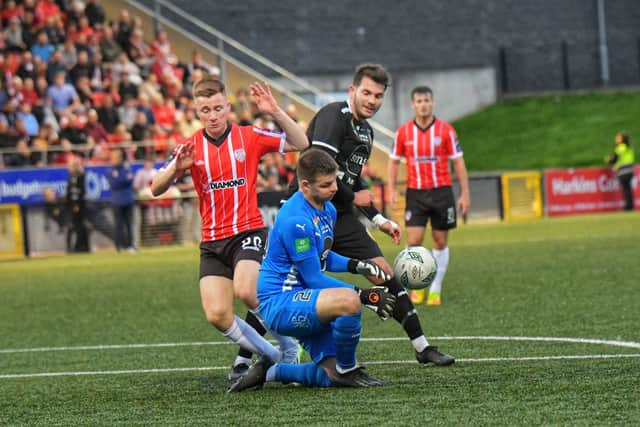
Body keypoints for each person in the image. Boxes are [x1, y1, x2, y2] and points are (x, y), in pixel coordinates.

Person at [283, 64, 455, 366]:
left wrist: (379, 219)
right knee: (285, 280)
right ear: (352, 91)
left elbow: (351, 179)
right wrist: (353, 196)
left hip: (340, 214)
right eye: (366, 93)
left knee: (383, 272)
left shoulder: (365, 131)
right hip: (305, 210)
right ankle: (247, 359)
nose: (372, 100)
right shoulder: (333, 116)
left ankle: (422, 347)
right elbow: (317, 165)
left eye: (378, 95)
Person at [150, 75, 309, 382]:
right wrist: (176, 170)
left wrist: (275, 110)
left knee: (247, 291)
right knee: (217, 315)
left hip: (247, 232)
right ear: (197, 112)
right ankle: (271, 356)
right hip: (212, 242)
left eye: (218, 108)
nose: (213, 116)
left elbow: (301, 143)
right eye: (205, 110)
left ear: (228, 107)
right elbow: (156, 187)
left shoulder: (249, 137)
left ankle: (290, 348)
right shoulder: (189, 148)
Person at [228, 149, 396, 392]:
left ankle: (270, 371)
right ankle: (348, 370)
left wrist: (356, 265)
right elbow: (313, 277)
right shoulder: (296, 221)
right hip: (280, 303)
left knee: (329, 375)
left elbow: (321, 258)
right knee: (349, 302)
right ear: (305, 185)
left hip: (303, 296)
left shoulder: (327, 209)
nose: (335, 188)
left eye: (335, 181)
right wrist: (364, 295)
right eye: (326, 184)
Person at [388, 86, 470, 306]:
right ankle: (417, 284)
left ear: (432, 103)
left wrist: (465, 193)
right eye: (419, 101)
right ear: (412, 105)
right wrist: (392, 188)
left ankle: (435, 288)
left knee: (439, 241)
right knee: (414, 241)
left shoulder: (446, 131)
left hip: (442, 192)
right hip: (416, 193)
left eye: (426, 100)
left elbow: (458, 161)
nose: (423, 104)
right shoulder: (403, 132)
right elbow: (394, 161)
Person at [107, 148, 136, 252]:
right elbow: (115, 184)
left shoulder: (126, 168)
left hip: (128, 199)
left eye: (117, 157)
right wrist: (124, 180)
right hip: (117, 201)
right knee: (118, 225)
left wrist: (121, 180)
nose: (115, 160)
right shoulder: (111, 171)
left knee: (129, 224)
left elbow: (130, 179)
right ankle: (118, 247)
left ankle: (130, 245)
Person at [605, 132, 635, 211]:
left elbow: (614, 159)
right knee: (628, 188)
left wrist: (609, 160)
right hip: (629, 170)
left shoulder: (621, 147)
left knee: (625, 189)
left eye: (618, 138)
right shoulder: (628, 147)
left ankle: (628, 206)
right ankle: (630, 205)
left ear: (622, 139)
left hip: (623, 171)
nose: (616, 139)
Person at [66, 156, 90, 253]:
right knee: (77, 226)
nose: (68, 168)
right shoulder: (72, 177)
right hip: (73, 205)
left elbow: (79, 192)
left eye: (69, 166)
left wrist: (76, 205)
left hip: (78, 205)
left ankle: (81, 246)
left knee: (79, 226)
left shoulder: (79, 177)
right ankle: (81, 246)